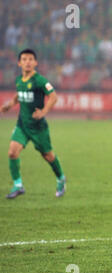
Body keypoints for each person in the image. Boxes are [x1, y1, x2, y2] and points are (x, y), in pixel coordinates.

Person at [0, 48, 66, 199]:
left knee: (48, 155)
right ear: (19, 63)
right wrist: (10, 105)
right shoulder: (19, 80)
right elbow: (19, 93)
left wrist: (43, 112)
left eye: (30, 59)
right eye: (24, 59)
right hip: (22, 124)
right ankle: (18, 185)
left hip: (38, 127)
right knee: (12, 152)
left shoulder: (39, 80)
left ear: (35, 63)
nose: (27, 62)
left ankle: (61, 178)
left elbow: (54, 97)